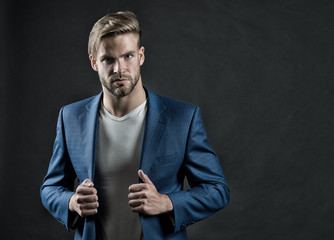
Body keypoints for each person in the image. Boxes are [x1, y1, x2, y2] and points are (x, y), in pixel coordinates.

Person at [40, 11, 230, 240]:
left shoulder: (183, 118)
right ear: (93, 62)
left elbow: (217, 190)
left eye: (127, 56)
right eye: (108, 59)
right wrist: (71, 202)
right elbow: (50, 188)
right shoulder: (70, 117)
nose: (119, 69)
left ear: (141, 56)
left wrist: (167, 202)